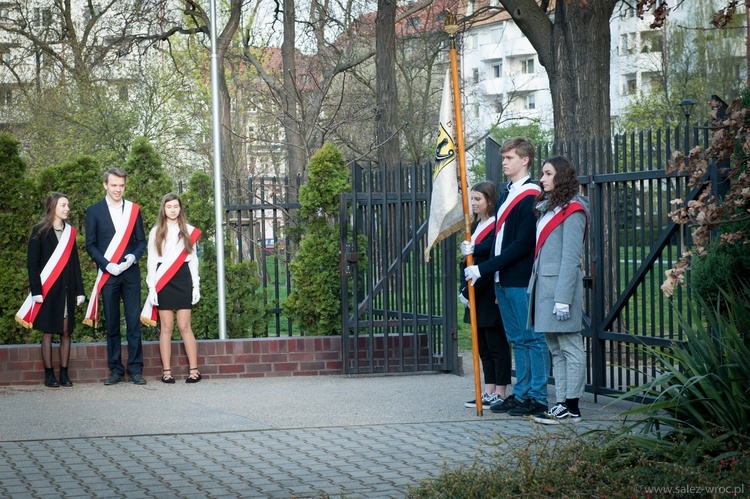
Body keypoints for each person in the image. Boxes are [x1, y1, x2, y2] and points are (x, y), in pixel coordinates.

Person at [463, 137, 549, 418]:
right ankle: (521, 393)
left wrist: (483, 268)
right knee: (518, 340)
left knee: (532, 339)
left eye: (509, 157)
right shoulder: (508, 192)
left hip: (520, 277)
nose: (504, 162)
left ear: (525, 160)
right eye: (503, 157)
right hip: (502, 279)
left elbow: (522, 244)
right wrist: (476, 249)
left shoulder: (531, 194)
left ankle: (537, 396)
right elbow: (499, 240)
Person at [527, 156, 589, 424]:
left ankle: (572, 406)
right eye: (542, 173)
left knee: (570, 347)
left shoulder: (574, 210)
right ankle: (561, 402)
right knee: (555, 348)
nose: (542, 179)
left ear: (561, 176)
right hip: (545, 288)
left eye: (548, 174)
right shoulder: (550, 208)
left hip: (561, 291)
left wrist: (563, 298)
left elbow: (571, 258)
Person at [84, 168, 147, 385]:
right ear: (105, 185)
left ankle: (136, 370)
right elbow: (90, 245)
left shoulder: (133, 210)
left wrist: (132, 258)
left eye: (121, 185)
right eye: (114, 185)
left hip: (130, 275)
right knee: (111, 324)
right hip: (108, 275)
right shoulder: (93, 211)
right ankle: (116, 370)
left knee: (133, 324)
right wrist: (106, 264)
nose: (118, 189)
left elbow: (141, 242)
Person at [17, 193, 86, 387]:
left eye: (68, 206)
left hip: (67, 290)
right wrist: (36, 291)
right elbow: (33, 264)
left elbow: (75, 263)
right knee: (48, 332)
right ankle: (49, 374)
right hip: (47, 291)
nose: (67, 209)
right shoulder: (39, 231)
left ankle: (64, 373)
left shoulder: (70, 232)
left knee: (66, 332)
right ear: (53, 207)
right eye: (63, 205)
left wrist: (80, 290)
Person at [460, 182, 512, 409]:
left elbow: (489, 256)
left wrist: (469, 289)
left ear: (490, 201)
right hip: (473, 292)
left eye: (478, 199)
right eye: (472, 199)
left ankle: (500, 391)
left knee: (496, 345)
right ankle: (488, 388)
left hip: (488, 291)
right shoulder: (473, 226)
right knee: (482, 346)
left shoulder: (495, 226)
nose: (473, 203)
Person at [141, 193, 203, 384]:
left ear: (180, 208)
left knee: (185, 326)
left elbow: (193, 260)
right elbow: (152, 260)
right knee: (166, 327)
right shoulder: (156, 231)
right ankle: (166, 372)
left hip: (183, 277)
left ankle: (194, 370)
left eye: (176, 206)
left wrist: (195, 285)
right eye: (169, 207)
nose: (173, 210)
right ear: (164, 209)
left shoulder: (189, 231)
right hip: (163, 279)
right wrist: (151, 287)